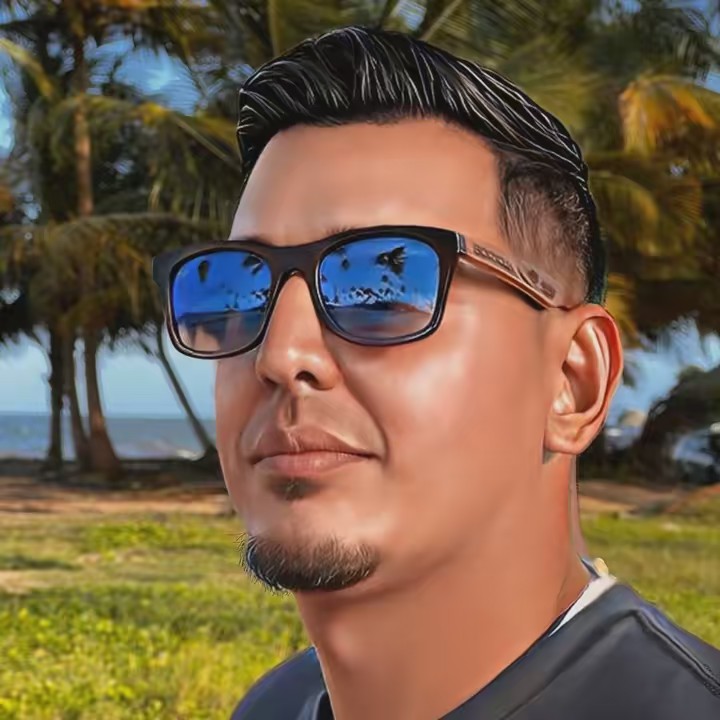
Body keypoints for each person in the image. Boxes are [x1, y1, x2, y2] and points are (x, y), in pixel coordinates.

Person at [152, 26, 720, 720]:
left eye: (381, 287)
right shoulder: (274, 706)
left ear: (573, 382)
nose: (280, 354)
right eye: (240, 290)